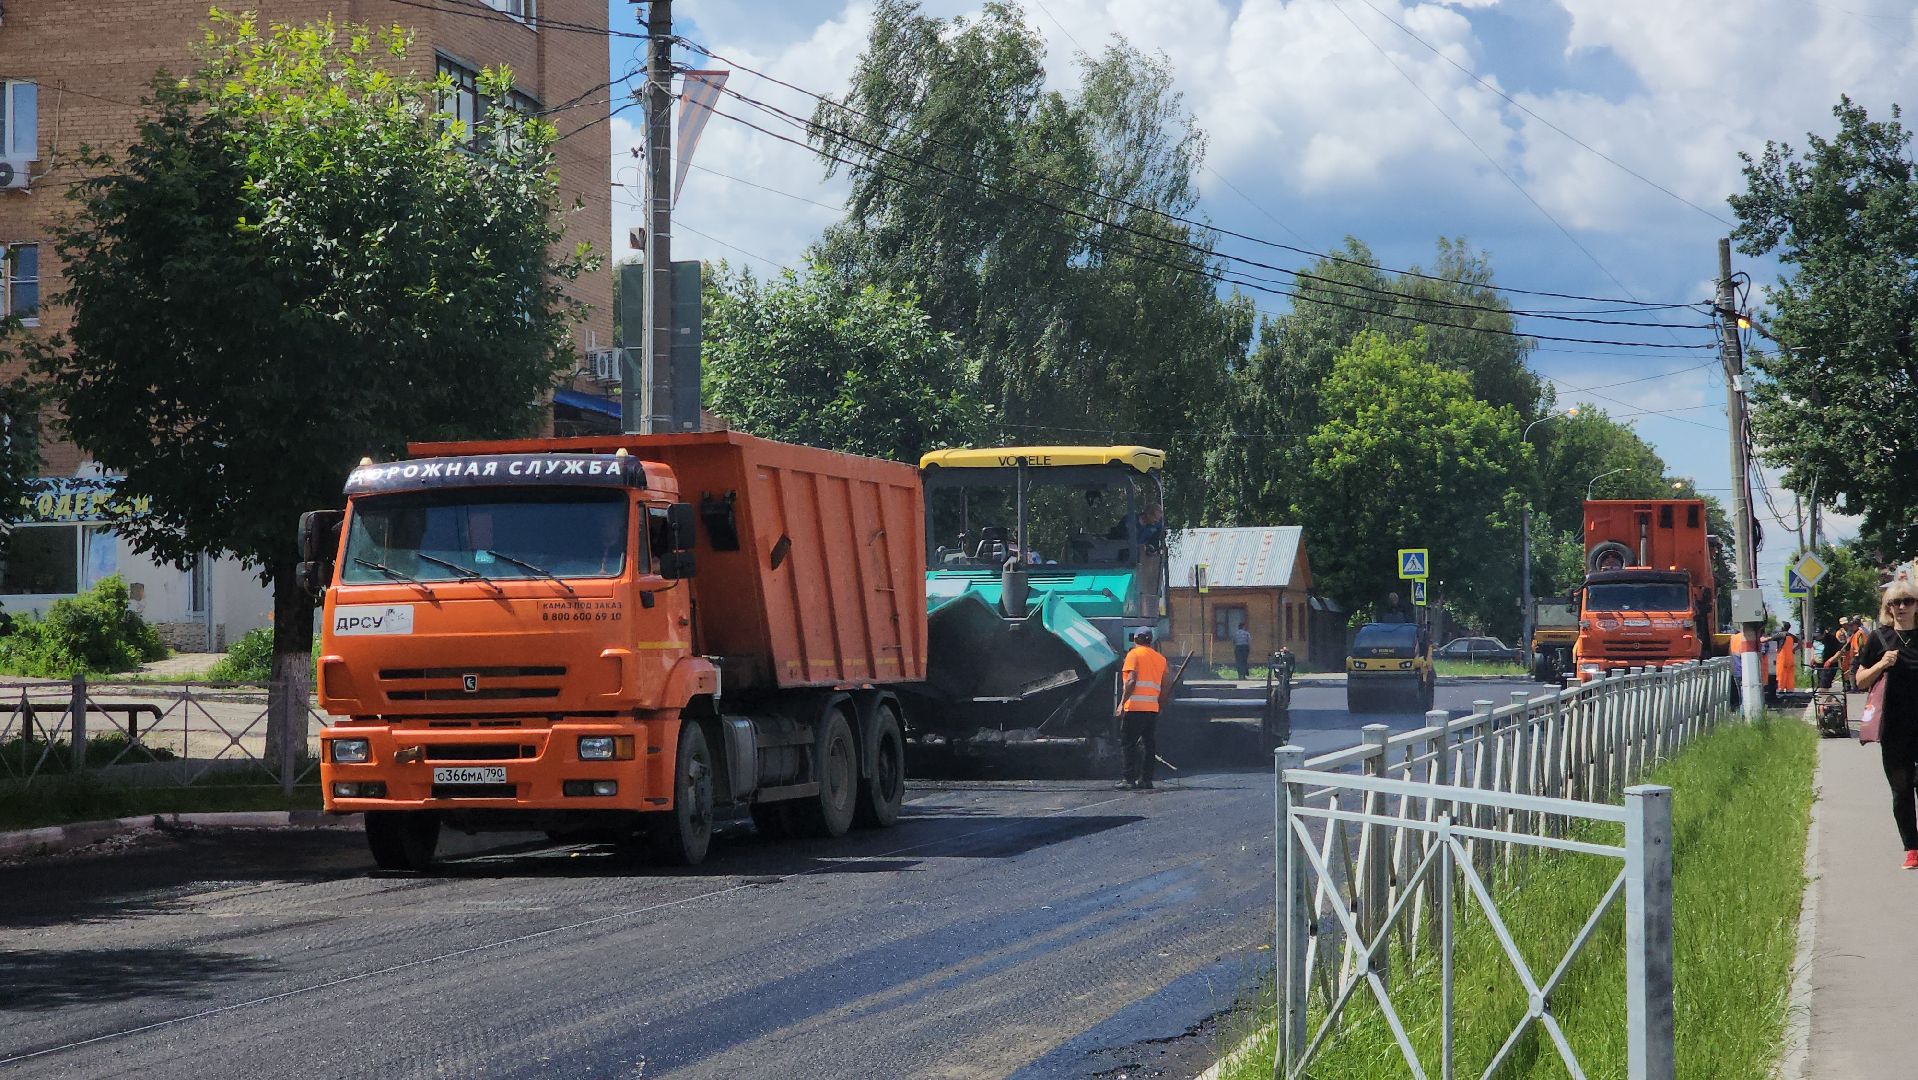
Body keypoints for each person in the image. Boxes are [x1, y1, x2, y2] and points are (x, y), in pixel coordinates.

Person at [1853, 579, 1918, 868]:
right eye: (1895, 603)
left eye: (1908, 601)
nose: (1901, 607)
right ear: (1887, 608)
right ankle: (1913, 848)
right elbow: (1859, 680)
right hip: (1894, 726)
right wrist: (1881, 664)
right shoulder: (1879, 639)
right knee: (1901, 788)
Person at [1116, 626, 1167, 790]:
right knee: (1148, 744)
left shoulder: (1133, 655)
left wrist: (1121, 703)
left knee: (1128, 743)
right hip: (1151, 708)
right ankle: (1146, 779)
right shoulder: (1160, 659)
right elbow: (1165, 684)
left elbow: (1131, 681)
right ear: (1150, 640)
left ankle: (1128, 779)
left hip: (1134, 707)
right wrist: (1160, 703)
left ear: (1135, 639)